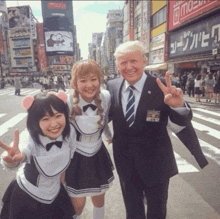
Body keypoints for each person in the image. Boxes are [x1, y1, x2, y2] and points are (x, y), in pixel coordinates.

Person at [106, 41, 208, 219]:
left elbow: (179, 124)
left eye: (133, 61)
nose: (129, 67)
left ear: (144, 61)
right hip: (125, 163)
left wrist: (178, 107)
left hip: (156, 163)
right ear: (117, 65)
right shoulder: (112, 86)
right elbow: (99, 114)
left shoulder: (162, 85)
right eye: (123, 62)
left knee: (157, 212)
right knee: (132, 212)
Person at [0, 91, 76, 219]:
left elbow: (67, 159)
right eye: (45, 119)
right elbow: (19, 155)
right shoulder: (30, 137)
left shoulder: (70, 134)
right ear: (35, 121)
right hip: (27, 195)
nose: (54, 124)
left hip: (55, 192)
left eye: (58, 116)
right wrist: (12, 160)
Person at [65, 59, 114, 219]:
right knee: (77, 204)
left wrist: (109, 136)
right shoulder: (66, 101)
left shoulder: (105, 96)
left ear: (100, 80)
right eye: (83, 80)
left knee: (99, 198)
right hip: (75, 156)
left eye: (93, 79)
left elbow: (104, 120)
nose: (89, 85)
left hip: (97, 153)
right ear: (75, 82)